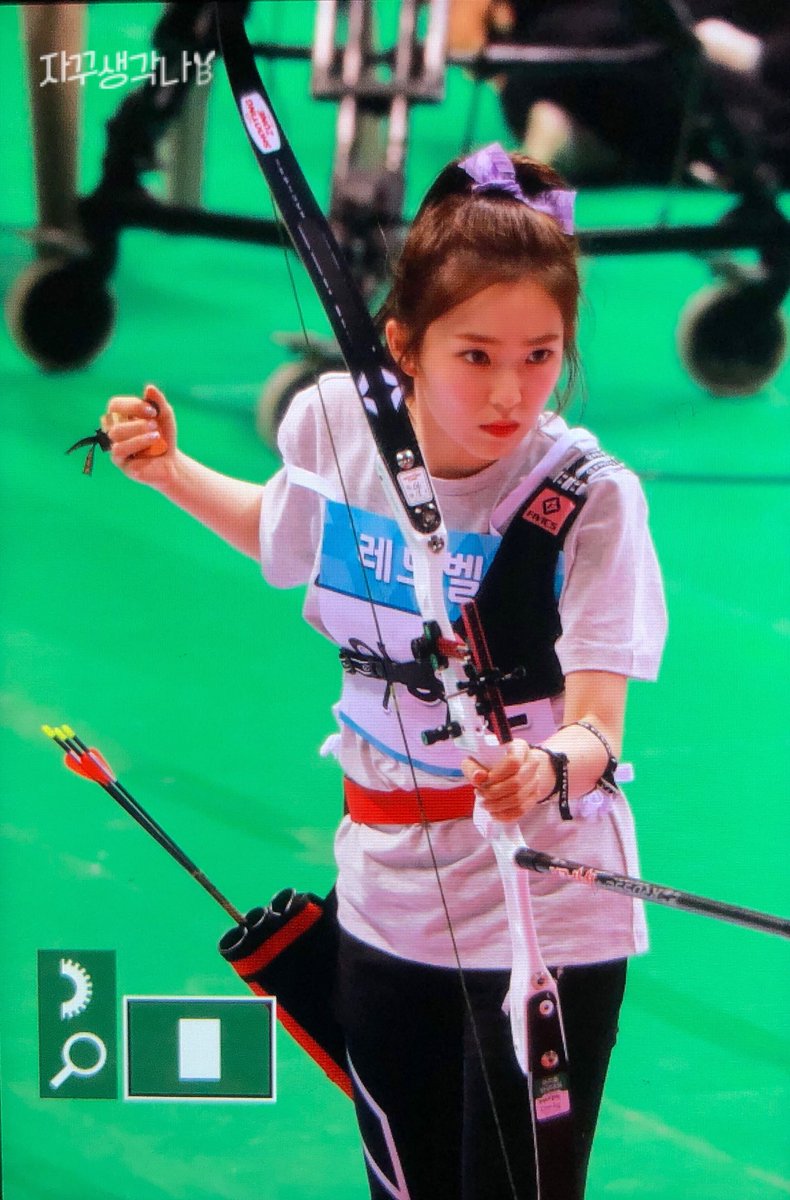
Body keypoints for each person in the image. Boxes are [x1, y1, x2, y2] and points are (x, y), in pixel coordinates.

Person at [102, 144, 667, 1200]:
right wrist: (170, 470)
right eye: (476, 355)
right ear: (402, 343)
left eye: (541, 355)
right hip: (383, 888)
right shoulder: (331, 422)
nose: (510, 391)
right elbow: (289, 534)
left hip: (541, 902)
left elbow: (599, 728)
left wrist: (546, 767)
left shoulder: (589, 497)